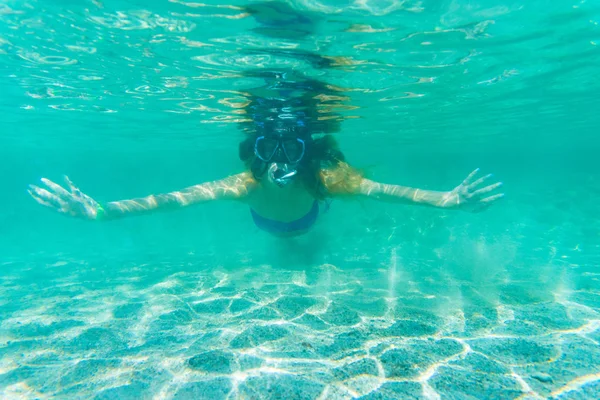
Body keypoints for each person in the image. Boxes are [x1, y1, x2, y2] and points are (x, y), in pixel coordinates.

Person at [27, 73, 503, 238]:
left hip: (312, 214)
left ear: (308, 149)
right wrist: (102, 212)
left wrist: (447, 200)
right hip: (267, 223)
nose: (279, 156)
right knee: (286, 243)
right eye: (268, 146)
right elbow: (170, 199)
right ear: (254, 151)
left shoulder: (328, 180)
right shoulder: (243, 186)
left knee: (310, 236)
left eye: (292, 145)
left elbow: (387, 191)